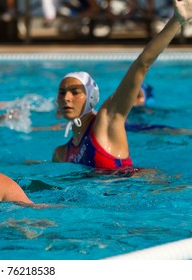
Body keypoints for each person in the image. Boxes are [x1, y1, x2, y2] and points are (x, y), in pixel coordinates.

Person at [52, 0, 192, 170]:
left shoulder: (107, 119)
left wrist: (177, 20)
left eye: (75, 92)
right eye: (62, 92)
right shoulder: (61, 154)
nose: (67, 98)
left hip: (137, 191)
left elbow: (142, 64)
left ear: (91, 97)